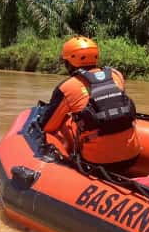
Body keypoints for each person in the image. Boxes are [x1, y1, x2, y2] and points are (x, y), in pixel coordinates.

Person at [39, 36, 141, 172]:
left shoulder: (66, 87)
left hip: (97, 163)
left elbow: (47, 126)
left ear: (69, 62)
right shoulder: (117, 76)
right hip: (132, 156)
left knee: (64, 119)